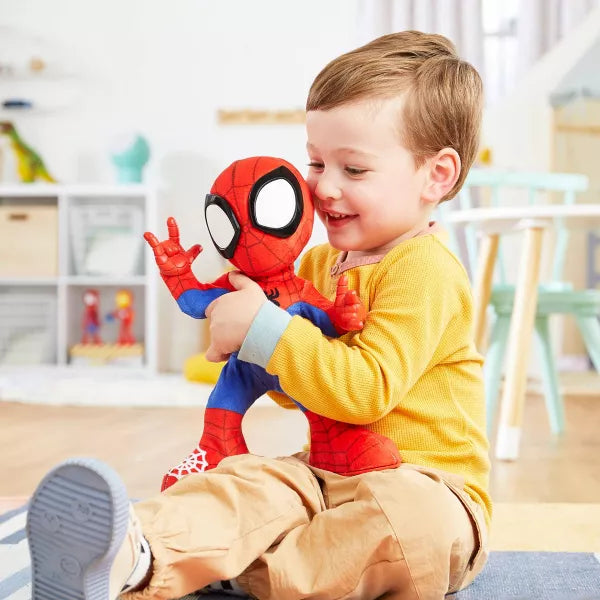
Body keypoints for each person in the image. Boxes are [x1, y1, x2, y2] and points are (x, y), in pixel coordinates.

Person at [26, 31, 490, 600]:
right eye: (316, 162)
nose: (324, 187)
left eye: (355, 169)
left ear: (436, 176)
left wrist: (268, 331)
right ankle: (133, 551)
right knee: (249, 482)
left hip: (427, 485)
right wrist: (254, 344)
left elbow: (365, 391)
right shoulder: (319, 262)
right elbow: (300, 390)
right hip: (325, 470)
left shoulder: (426, 269)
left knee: (407, 521)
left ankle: (230, 572)